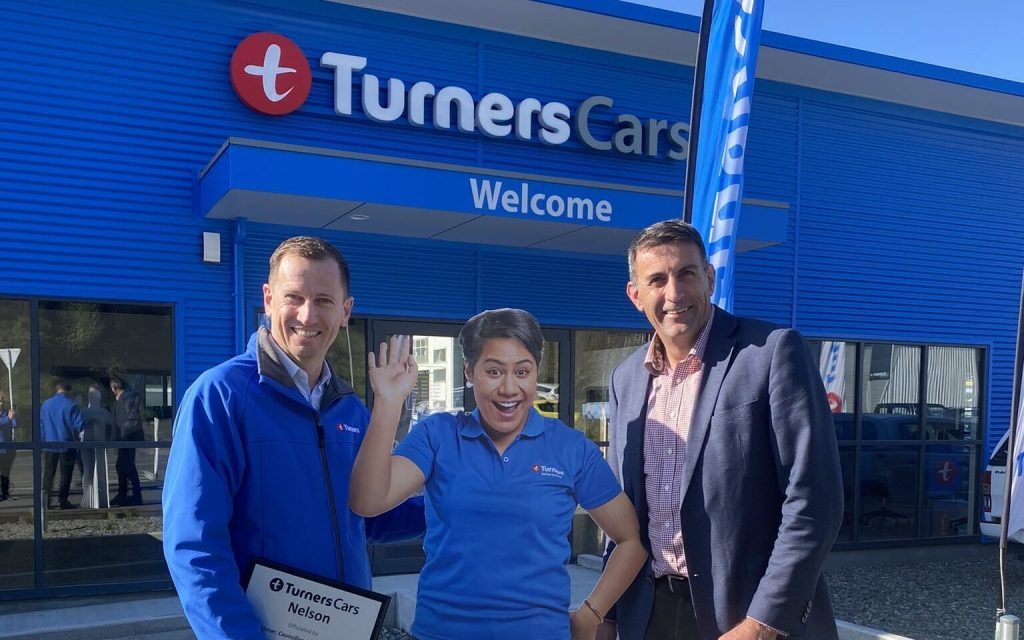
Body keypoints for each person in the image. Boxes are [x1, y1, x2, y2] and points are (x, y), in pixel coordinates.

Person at [162, 236, 425, 640]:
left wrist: (456, 497)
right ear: (268, 300)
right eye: (293, 297)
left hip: (346, 629)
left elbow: (369, 517)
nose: (307, 314)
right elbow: (195, 545)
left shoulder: (350, 411)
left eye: (323, 300)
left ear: (345, 311)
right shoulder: (221, 397)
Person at [600, 220, 844, 640]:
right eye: (657, 280)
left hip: (744, 615)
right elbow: (620, 513)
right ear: (636, 296)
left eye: (686, 273)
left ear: (709, 277)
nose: (674, 293)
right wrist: (607, 612)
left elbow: (813, 498)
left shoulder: (771, 352)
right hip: (649, 613)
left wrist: (764, 622)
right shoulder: (626, 379)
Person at [350, 308, 648, 640]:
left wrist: (591, 613)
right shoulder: (438, 436)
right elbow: (367, 501)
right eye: (493, 371)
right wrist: (388, 403)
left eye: (523, 372)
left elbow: (630, 541)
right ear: (469, 371)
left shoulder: (570, 448)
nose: (509, 388)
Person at [40, 381, 84, 510]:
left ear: (57, 388)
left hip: (49, 443)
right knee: (66, 474)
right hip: (67, 443)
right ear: (68, 390)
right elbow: (79, 425)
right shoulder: (71, 405)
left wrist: (43, 440)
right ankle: (62, 500)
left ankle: (46, 501)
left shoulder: (46, 404)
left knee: (48, 474)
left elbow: (41, 425)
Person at [110, 376, 143, 506]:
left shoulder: (123, 400)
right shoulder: (129, 398)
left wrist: (120, 437)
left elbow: (124, 421)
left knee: (126, 466)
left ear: (114, 388)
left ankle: (131, 495)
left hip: (126, 438)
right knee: (125, 466)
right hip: (129, 437)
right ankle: (126, 494)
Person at [80, 384, 115, 508]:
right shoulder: (102, 412)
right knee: (94, 471)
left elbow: (77, 428)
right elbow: (112, 428)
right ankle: (95, 498)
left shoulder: (85, 412)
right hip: (95, 445)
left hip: (93, 445)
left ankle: (91, 498)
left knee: (89, 472)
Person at [0, 394, 17, 501]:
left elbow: (15, 424)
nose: (1, 404)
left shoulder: (6, 413)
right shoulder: (6, 417)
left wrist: (14, 415)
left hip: (7, 448)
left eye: (2, 401)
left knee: (5, 472)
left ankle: (5, 493)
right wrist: (8, 419)